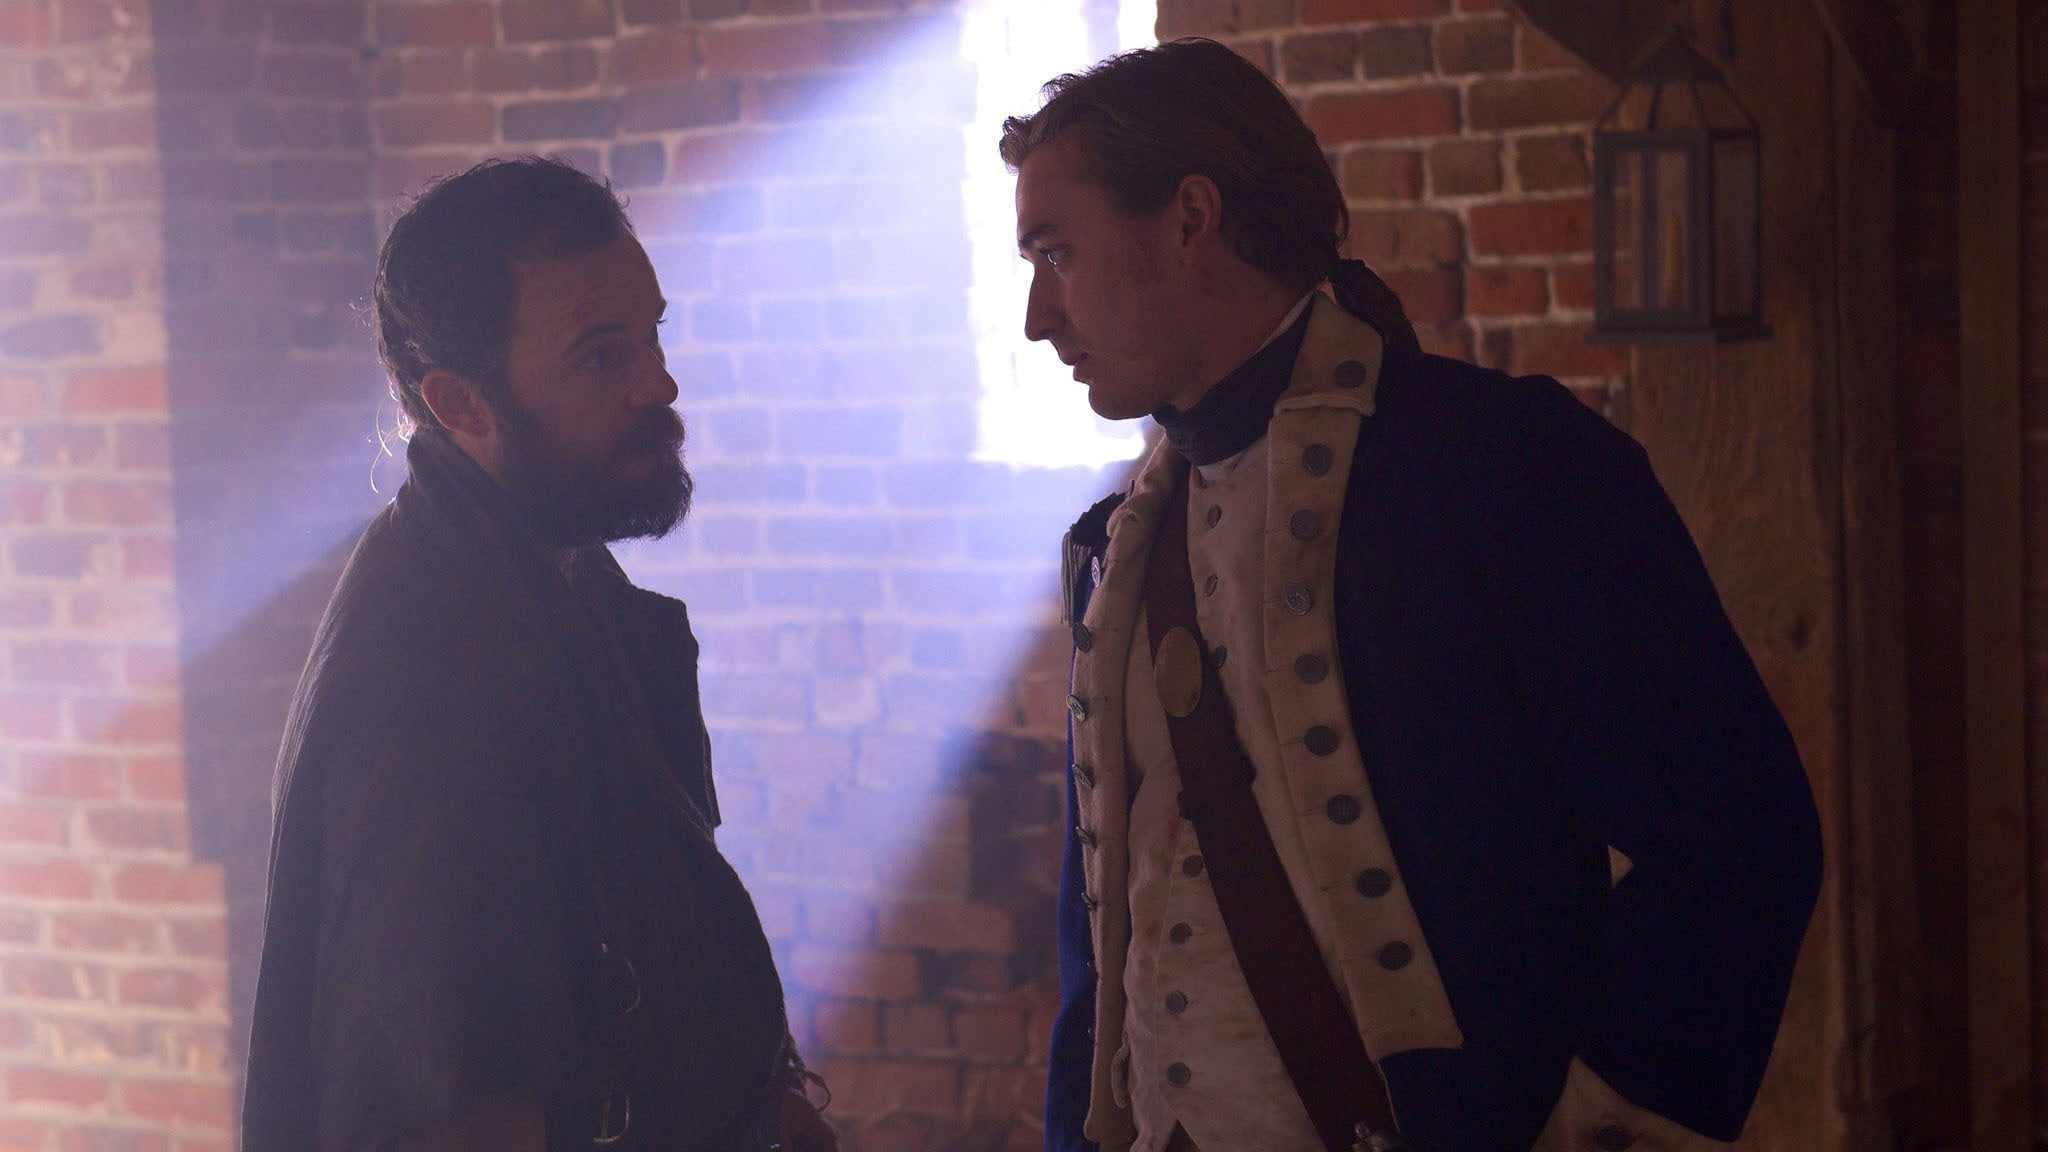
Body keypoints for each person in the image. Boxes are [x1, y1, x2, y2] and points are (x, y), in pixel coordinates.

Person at [1005, 39, 1822, 1152]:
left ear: (1190, 219)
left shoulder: (1501, 467)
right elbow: (1097, 959)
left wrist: (1600, 1128)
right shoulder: (1117, 551)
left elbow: (1735, 840)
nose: (1037, 316)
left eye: (1057, 252)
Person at [239, 157, 834, 1152]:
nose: (658, 383)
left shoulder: (550, 572)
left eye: (651, 334)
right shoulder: (433, 677)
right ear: (460, 404)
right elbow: (451, 1107)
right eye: (602, 357)